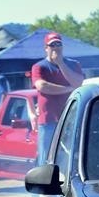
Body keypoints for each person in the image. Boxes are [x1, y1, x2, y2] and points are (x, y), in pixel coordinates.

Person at [31, 32, 84, 164]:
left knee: (70, 157)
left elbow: (78, 82)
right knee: (46, 157)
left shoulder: (73, 64)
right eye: (52, 45)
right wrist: (68, 89)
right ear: (46, 48)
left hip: (71, 119)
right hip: (49, 121)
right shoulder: (39, 67)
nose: (56, 47)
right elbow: (42, 86)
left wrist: (61, 64)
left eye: (58, 44)